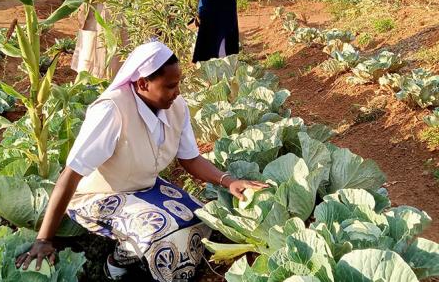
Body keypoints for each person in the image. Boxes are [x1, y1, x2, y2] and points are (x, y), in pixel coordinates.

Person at [15, 41, 268, 281]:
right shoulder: (112, 111)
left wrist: (229, 181)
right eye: (169, 86)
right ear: (143, 84)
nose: (176, 92)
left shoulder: (176, 107)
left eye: (178, 84)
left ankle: (142, 256)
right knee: (166, 232)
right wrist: (44, 239)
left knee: (199, 218)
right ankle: (116, 265)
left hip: (144, 187)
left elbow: (190, 159)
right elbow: (71, 174)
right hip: (99, 195)